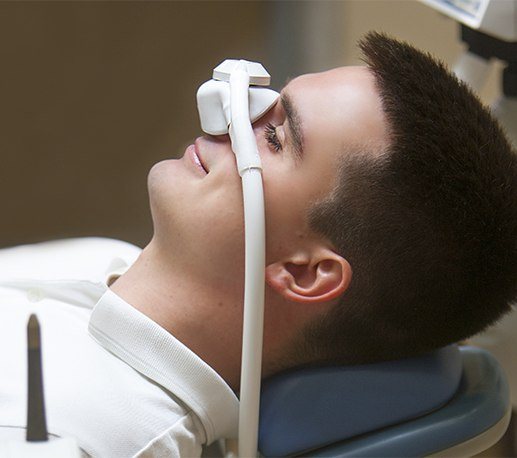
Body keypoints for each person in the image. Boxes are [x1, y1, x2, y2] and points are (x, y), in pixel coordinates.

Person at [1, 32, 516, 457]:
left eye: (274, 138)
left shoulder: (82, 440)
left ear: (305, 272)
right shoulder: (102, 258)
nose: (229, 118)